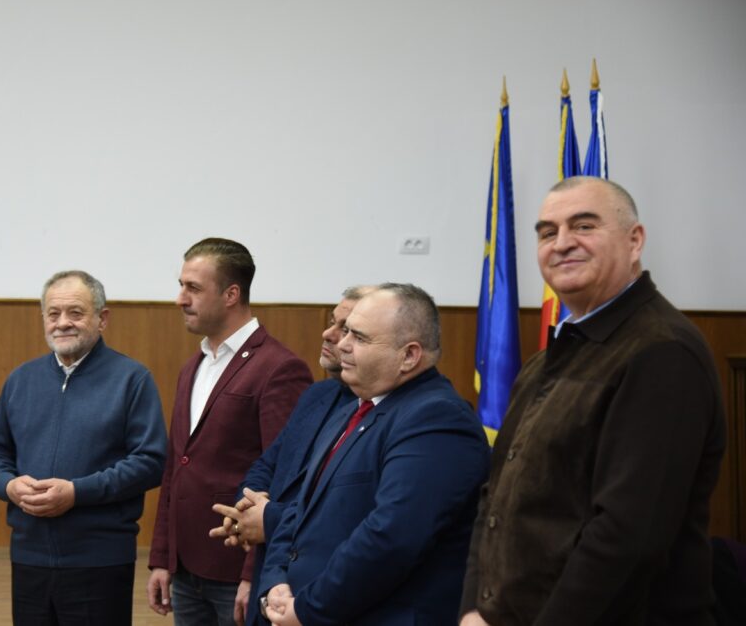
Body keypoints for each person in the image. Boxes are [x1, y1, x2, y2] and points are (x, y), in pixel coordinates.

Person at [459, 176, 727, 626]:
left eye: (584, 226)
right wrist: (473, 609)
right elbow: (494, 500)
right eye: (547, 232)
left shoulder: (663, 352)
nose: (562, 243)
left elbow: (626, 536)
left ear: (634, 240)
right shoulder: (546, 360)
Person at [259, 284, 490, 625]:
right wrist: (275, 582)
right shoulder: (353, 408)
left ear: (409, 356)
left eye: (360, 338)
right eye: (346, 331)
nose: (343, 344)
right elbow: (300, 510)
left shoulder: (438, 420)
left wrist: (308, 608)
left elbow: (391, 538)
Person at [0, 270, 167, 625]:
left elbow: (150, 461)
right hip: (29, 556)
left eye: (75, 313)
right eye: (53, 314)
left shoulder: (132, 379)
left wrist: (77, 492)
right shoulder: (21, 379)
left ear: (102, 318)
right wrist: (8, 485)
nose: (62, 322)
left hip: (100, 559)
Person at [147, 237, 313, 626]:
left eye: (193, 288)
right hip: (187, 568)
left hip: (237, 571)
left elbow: (284, 479)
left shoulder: (279, 367)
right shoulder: (194, 365)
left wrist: (255, 573)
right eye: (181, 285)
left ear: (231, 295)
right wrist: (162, 557)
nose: (180, 299)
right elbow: (176, 466)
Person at [209, 286, 375, 626]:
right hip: (271, 577)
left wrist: (268, 519)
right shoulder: (318, 394)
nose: (330, 334)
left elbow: (348, 514)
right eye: (333, 322)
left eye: (347, 329)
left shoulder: (380, 413)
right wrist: (247, 507)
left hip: (323, 592)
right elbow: (268, 463)